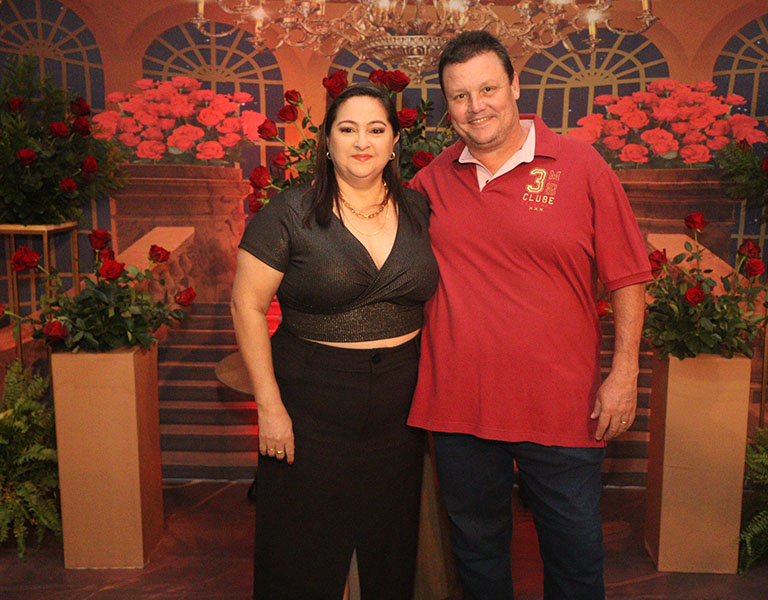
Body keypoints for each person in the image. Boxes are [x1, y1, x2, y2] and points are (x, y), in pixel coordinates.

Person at [408, 31, 652, 600]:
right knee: (476, 555)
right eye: (460, 96)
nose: (476, 106)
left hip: (561, 405)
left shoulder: (581, 165)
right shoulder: (430, 182)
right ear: (448, 105)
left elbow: (628, 275)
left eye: (488, 89)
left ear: (515, 86)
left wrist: (624, 373)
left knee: (574, 558)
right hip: (460, 407)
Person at [231, 84, 439, 600]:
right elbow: (247, 307)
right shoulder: (289, 212)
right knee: (301, 547)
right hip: (310, 400)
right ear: (327, 140)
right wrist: (270, 407)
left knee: (391, 543)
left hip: (401, 405)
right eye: (348, 129)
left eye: (376, 129)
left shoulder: (420, 210)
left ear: (394, 142)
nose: (362, 142)